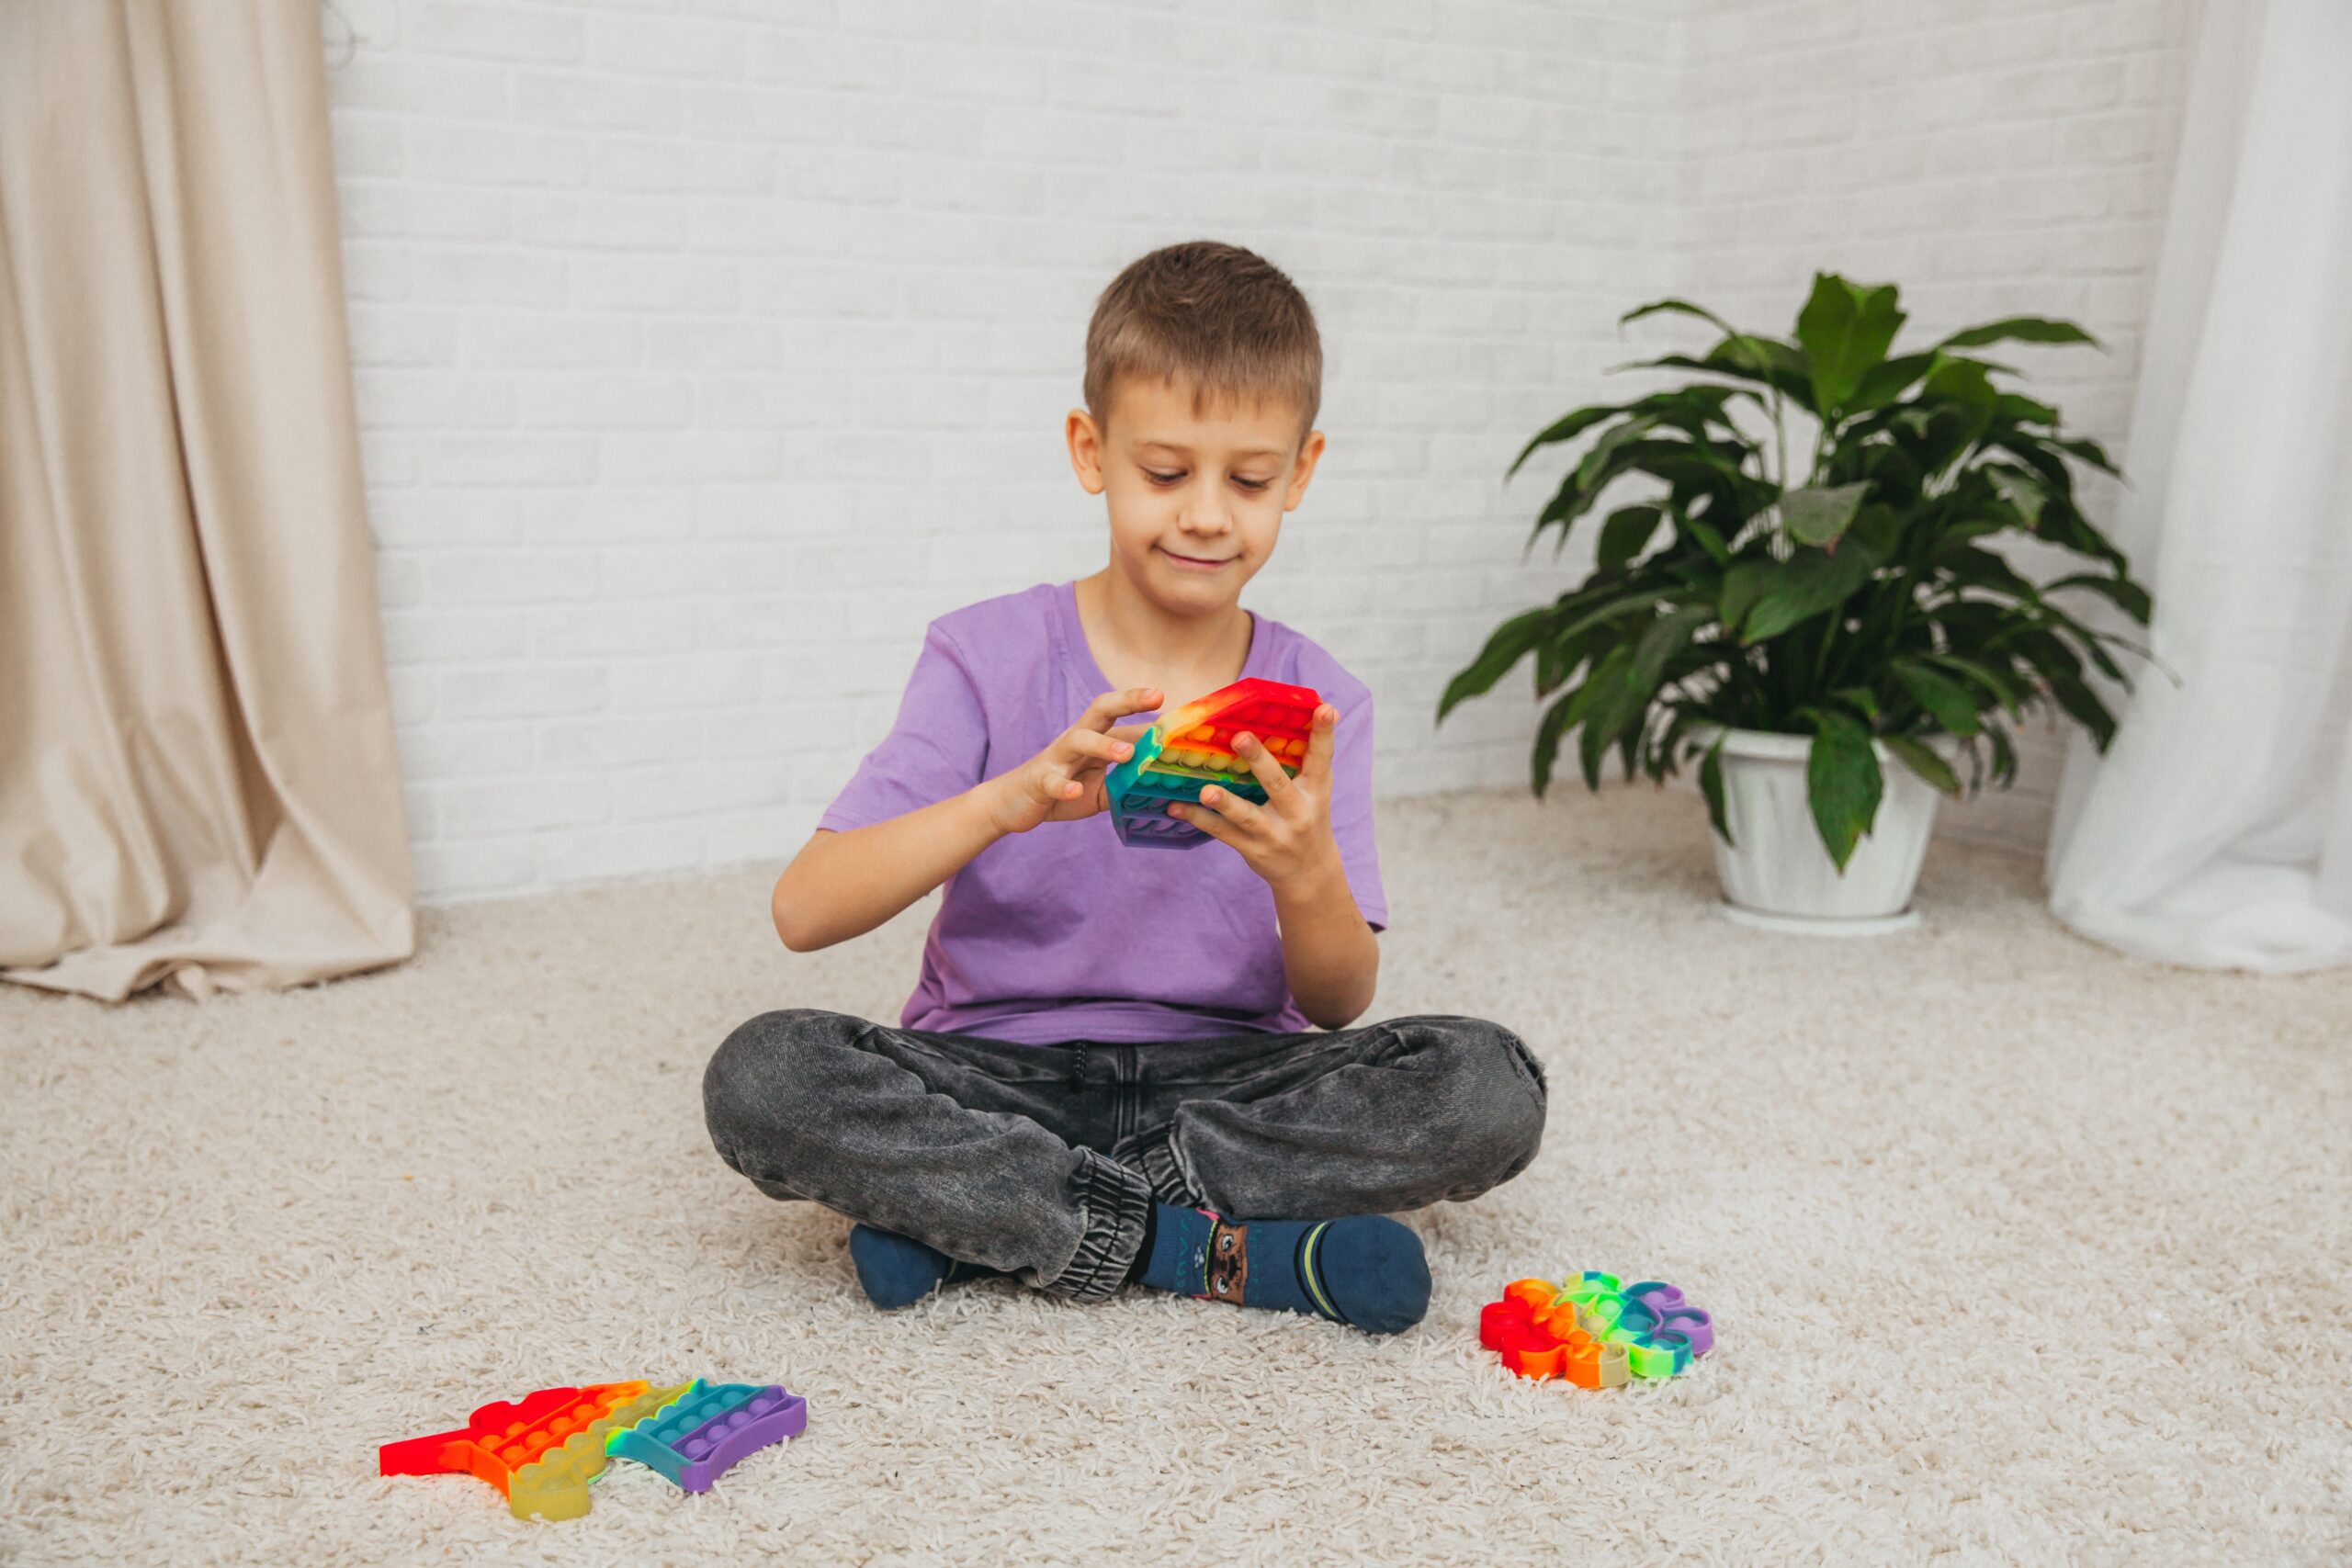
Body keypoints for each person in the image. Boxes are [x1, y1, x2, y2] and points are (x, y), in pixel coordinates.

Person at [702, 240, 1546, 1335]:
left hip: (1229, 1084)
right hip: (993, 1074)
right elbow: (804, 910)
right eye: (1165, 473)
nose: (1207, 515)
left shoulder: (1319, 699)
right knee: (763, 1074)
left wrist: (1305, 877)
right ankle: (1201, 1246)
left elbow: (1339, 1005)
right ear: (1090, 451)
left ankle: (995, 1219)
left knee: (1488, 1086)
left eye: (1249, 480)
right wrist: (1005, 802)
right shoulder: (982, 654)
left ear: (1301, 472)